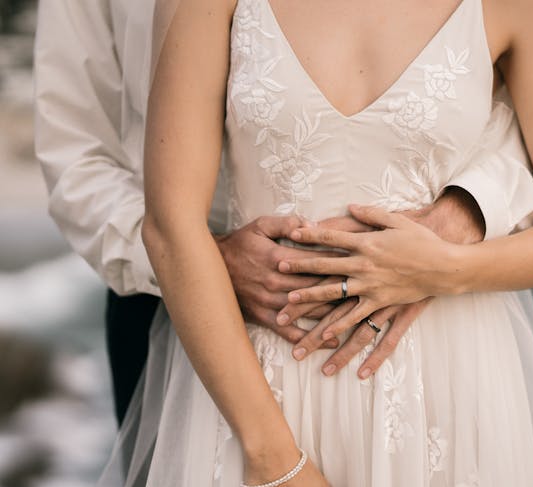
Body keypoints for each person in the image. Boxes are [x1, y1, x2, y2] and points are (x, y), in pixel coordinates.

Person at [87, 0, 533, 487]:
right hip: (254, 377)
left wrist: (446, 268)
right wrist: (270, 453)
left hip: (449, 376)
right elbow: (170, 226)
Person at [33, 0, 503, 426]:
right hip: (162, 303)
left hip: (425, 308)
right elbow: (74, 150)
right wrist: (201, 259)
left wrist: (465, 211)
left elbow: (526, 108)